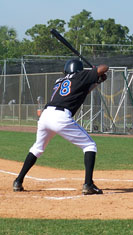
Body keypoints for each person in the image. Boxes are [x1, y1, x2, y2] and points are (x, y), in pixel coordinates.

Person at [13, 59, 109, 195]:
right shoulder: (81, 75)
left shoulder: (60, 81)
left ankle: (18, 181)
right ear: (79, 70)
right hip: (60, 117)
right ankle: (88, 184)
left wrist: (97, 81)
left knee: (37, 148)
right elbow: (104, 67)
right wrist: (95, 69)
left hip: (46, 116)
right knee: (89, 146)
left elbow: (82, 90)